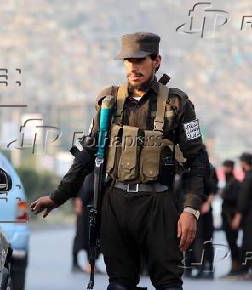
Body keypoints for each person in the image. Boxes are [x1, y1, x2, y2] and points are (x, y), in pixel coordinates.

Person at [30, 32, 210, 290]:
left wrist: (190, 211)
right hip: (116, 203)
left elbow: (198, 160)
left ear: (156, 61)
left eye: (140, 60)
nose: (133, 67)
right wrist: (58, 196)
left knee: (169, 283)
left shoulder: (176, 102)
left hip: (158, 204)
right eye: (128, 61)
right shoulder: (108, 103)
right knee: (119, 284)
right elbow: (87, 154)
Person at [71, 172, 101, 273]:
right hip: (85, 209)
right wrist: (77, 200)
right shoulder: (85, 170)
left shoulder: (95, 169)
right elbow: (82, 188)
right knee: (83, 237)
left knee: (92, 237)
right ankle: (78, 264)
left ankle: (91, 265)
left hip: (91, 207)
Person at [232, 152, 252, 279]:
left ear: (244, 163)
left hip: (249, 215)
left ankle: (246, 269)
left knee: (248, 242)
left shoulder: (248, 177)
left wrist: (238, 216)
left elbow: (243, 198)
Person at [220, 160, 242, 276]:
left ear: (230, 168)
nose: (224, 170)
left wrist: (224, 195)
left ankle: (236, 267)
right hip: (227, 218)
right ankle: (235, 267)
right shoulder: (229, 182)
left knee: (233, 243)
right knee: (231, 242)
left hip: (231, 218)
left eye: (226, 167)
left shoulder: (235, 183)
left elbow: (236, 200)